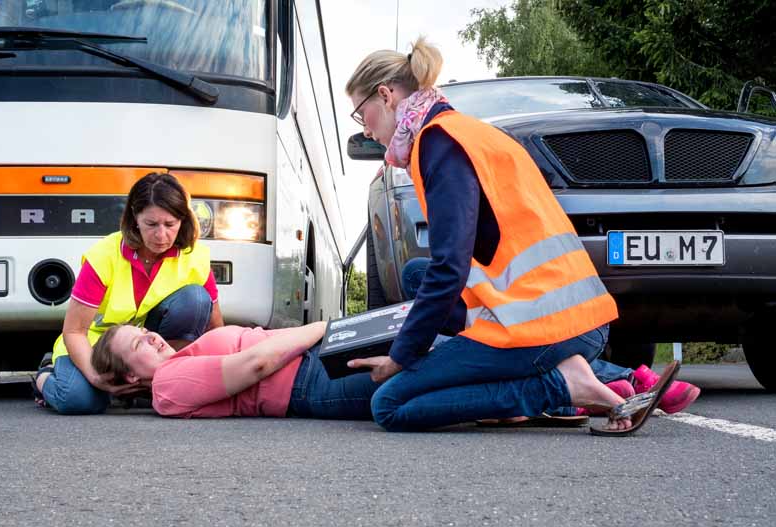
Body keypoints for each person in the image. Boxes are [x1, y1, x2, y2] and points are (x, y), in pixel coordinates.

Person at [344, 38, 681, 435]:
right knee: (417, 273)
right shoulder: (469, 132)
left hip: (538, 324)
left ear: (385, 96)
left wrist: (400, 357)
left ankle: (560, 385)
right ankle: (589, 369)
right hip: (575, 317)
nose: (364, 128)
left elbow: (450, 269)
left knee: (390, 404)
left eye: (360, 113)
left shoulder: (438, 143)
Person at [401, 258, 701, 421]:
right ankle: (627, 382)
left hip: (529, 318)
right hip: (574, 313)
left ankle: (603, 388)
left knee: (416, 275)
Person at [33, 172, 224, 415]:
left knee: (195, 299)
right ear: (135, 219)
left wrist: (223, 375)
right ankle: (46, 375)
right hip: (96, 345)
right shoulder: (104, 256)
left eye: (170, 224)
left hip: (144, 350)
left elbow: (216, 329)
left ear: (183, 220)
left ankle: (160, 380)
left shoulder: (195, 257)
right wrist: (95, 378)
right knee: (78, 400)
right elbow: (74, 331)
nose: (161, 235)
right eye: (151, 224)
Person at [89, 322, 378, 420]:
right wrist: (323, 328)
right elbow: (256, 364)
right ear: (131, 376)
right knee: (412, 364)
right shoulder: (168, 382)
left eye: (144, 330)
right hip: (309, 381)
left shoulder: (182, 360)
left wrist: (332, 333)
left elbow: (267, 339)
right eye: (139, 343)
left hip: (312, 355)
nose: (151, 336)